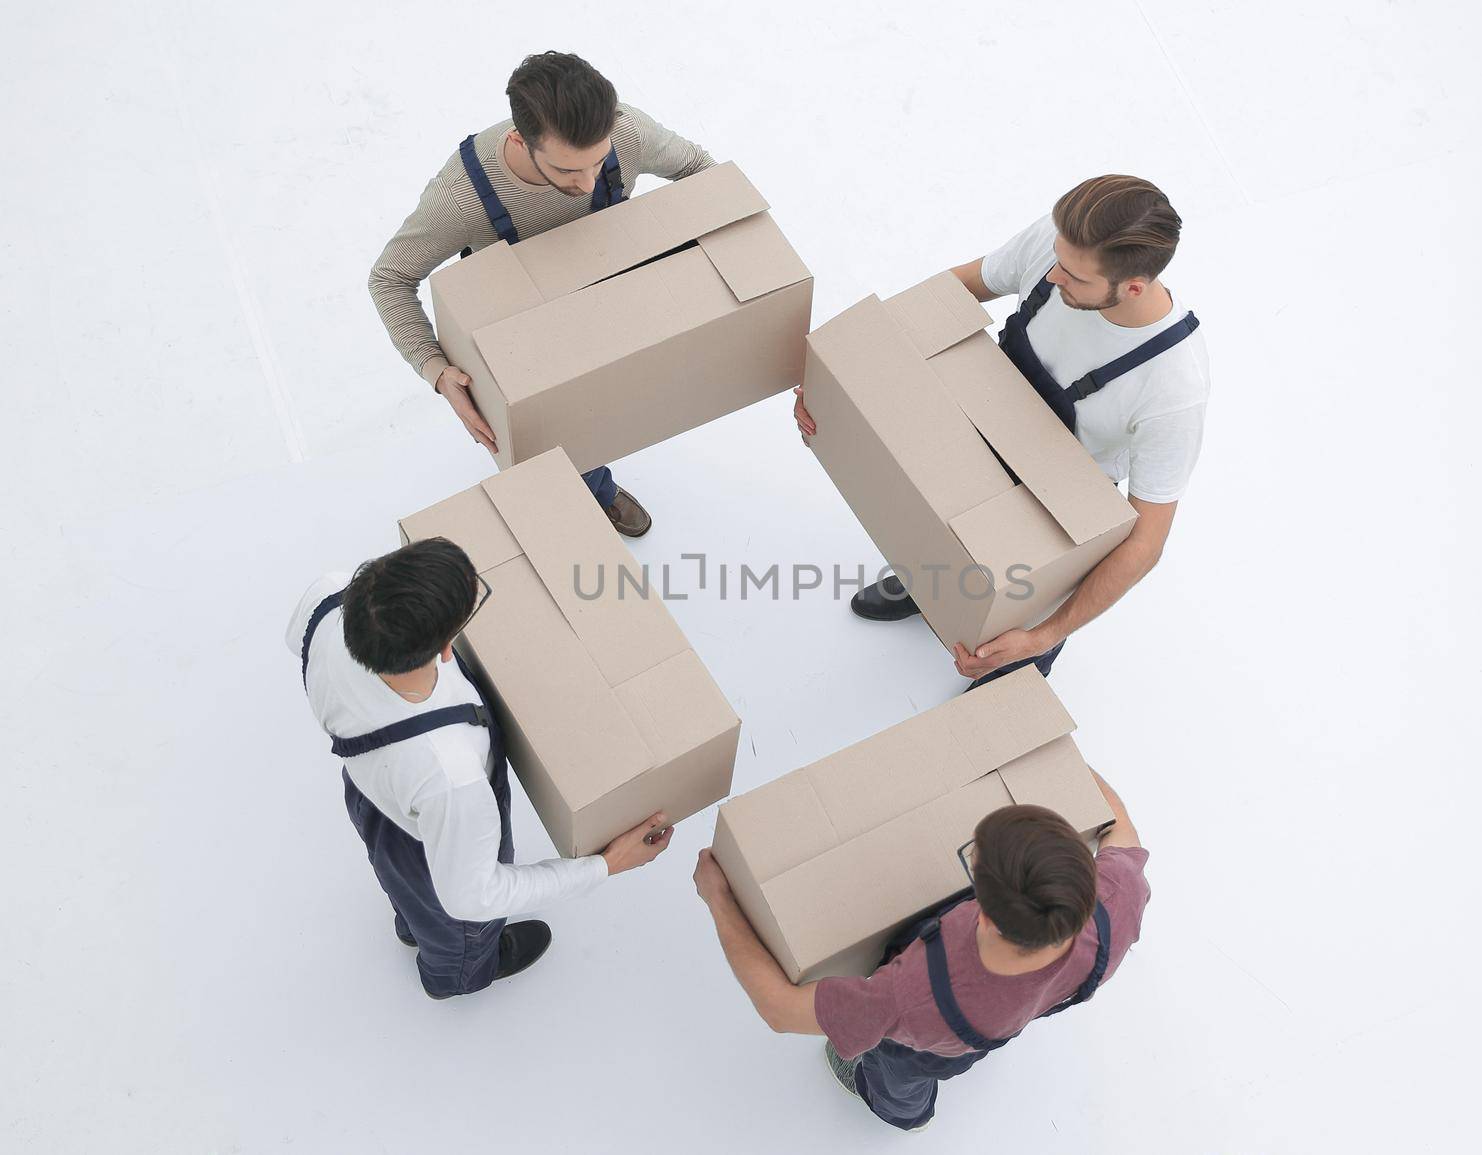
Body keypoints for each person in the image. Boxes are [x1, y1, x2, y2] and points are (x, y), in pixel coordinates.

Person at [794, 175, 1210, 686]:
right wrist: (836, 376)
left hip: (1055, 507)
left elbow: (1146, 543)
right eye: (1058, 258)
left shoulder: (1173, 386)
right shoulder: (1060, 248)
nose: (1054, 276)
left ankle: (1015, 668)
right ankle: (927, 585)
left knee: (1006, 657)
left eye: (1076, 278)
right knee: (931, 536)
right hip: (978, 423)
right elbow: (949, 294)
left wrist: (1042, 634)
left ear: (1133, 287)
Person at [289, 537, 674, 999]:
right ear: (447, 647)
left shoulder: (328, 599)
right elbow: (474, 896)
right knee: (460, 933)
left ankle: (413, 923)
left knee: (406, 890)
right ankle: (457, 974)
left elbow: (296, 639)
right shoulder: (451, 776)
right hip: (431, 833)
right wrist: (604, 866)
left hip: (372, 794)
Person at [369, 51, 718, 538]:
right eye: (569, 171)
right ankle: (595, 489)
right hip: (526, 323)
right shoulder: (462, 195)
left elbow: (700, 169)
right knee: (560, 431)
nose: (589, 181)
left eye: (598, 162)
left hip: (610, 285)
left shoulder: (629, 132)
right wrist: (433, 367)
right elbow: (389, 278)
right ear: (520, 141)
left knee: (627, 392)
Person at [692, 770, 1150, 1131]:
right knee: (1001, 1025)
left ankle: (901, 1113)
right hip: (1021, 1007)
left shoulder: (909, 999)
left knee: (896, 1073)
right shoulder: (1119, 894)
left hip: (934, 1044)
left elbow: (780, 1009)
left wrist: (720, 899)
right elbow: (1120, 822)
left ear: (983, 912)